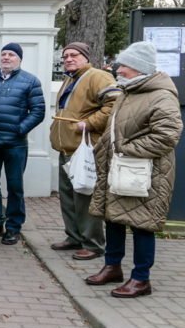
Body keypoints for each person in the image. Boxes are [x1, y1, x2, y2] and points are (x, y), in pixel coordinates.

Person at [86, 41, 183, 298]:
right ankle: (112, 266)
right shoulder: (128, 91)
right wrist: (103, 149)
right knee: (114, 217)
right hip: (120, 169)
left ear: (139, 68)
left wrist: (126, 148)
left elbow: (167, 135)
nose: (119, 68)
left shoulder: (160, 95)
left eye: (124, 64)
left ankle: (141, 279)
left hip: (146, 173)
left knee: (142, 225)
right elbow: (116, 129)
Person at [50, 42, 119, 260]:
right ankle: (74, 237)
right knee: (68, 197)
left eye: (74, 55)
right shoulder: (71, 78)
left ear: (85, 57)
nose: (68, 59)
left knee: (85, 197)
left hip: (85, 149)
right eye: (65, 56)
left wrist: (89, 123)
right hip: (67, 148)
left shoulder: (98, 76)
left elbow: (114, 104)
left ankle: (93, 244)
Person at [0, 43, 45, 245]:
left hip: (15, 145)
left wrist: (19, 130)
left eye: (11, 54)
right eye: (3, 53)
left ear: (19, 59)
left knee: (14, 187)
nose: (6, 57)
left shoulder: (30, 81)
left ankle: (13, 227)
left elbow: (38, 111)